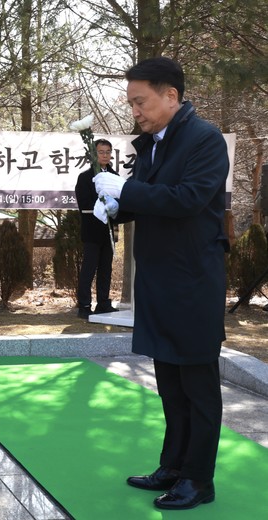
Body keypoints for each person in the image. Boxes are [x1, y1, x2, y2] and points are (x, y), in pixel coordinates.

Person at [94, 57, 229, 510]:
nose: (135, 111)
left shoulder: (205, 139)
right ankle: (173, 466)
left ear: (171, 95)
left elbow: (188, 199)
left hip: (192, 281)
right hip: (159, 279)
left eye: (141, 101)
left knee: (198, 387)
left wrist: (125, 191)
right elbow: (148, 200)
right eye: (131, 103)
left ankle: (199, 479)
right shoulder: (154, 143)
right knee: (170, 383)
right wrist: (116, 207)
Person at [74, 138, 119, 318]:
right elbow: (83, 203)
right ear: (93, 154)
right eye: (101, 152)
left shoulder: (115, 176)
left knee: (106, 269)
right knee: (89, 268)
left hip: (109, 231)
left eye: (108, 152)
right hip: (92, 230)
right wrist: (102, 204)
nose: (105, 155)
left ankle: (103, 303)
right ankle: (84, 305)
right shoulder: (85, 177)